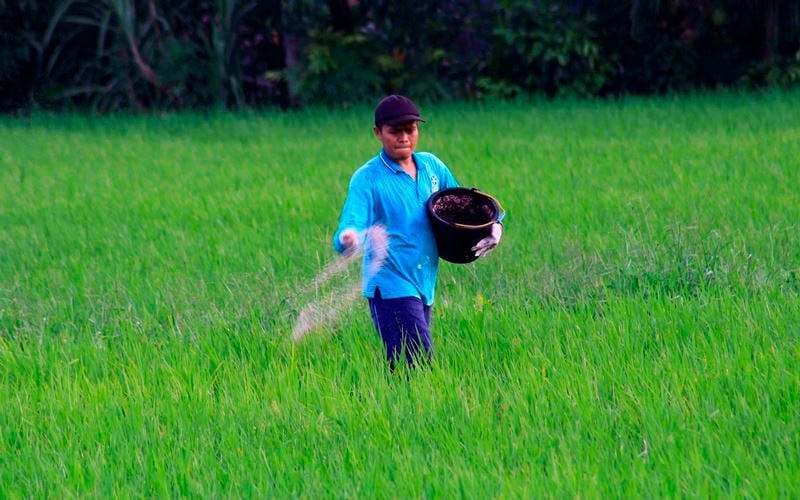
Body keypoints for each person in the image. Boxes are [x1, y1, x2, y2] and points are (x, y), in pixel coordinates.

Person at [333, 95, 502, 368]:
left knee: (404, 367)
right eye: (395, 131)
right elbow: (351, 224)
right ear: (378, 133)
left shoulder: (432, 166)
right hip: (390, 285)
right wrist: (348, 239)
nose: (404, 138)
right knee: (419, 361)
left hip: (424, 282)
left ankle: (391, 408)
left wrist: (495, 227)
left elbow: (466, 207)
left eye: (410, 130)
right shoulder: (367, 178)